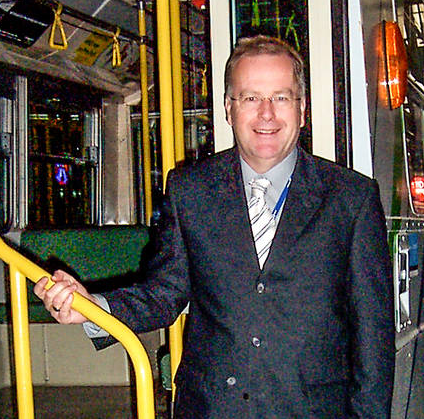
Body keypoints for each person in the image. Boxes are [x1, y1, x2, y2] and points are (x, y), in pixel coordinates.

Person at [34, 35, 394, 418]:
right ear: (228, 108)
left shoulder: (351, 199)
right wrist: (95, 309)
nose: (267, 113)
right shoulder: (191, 191)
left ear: (302, 109)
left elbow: (373, 338)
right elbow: (164, 292)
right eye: (251, 98)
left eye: (282, 97)